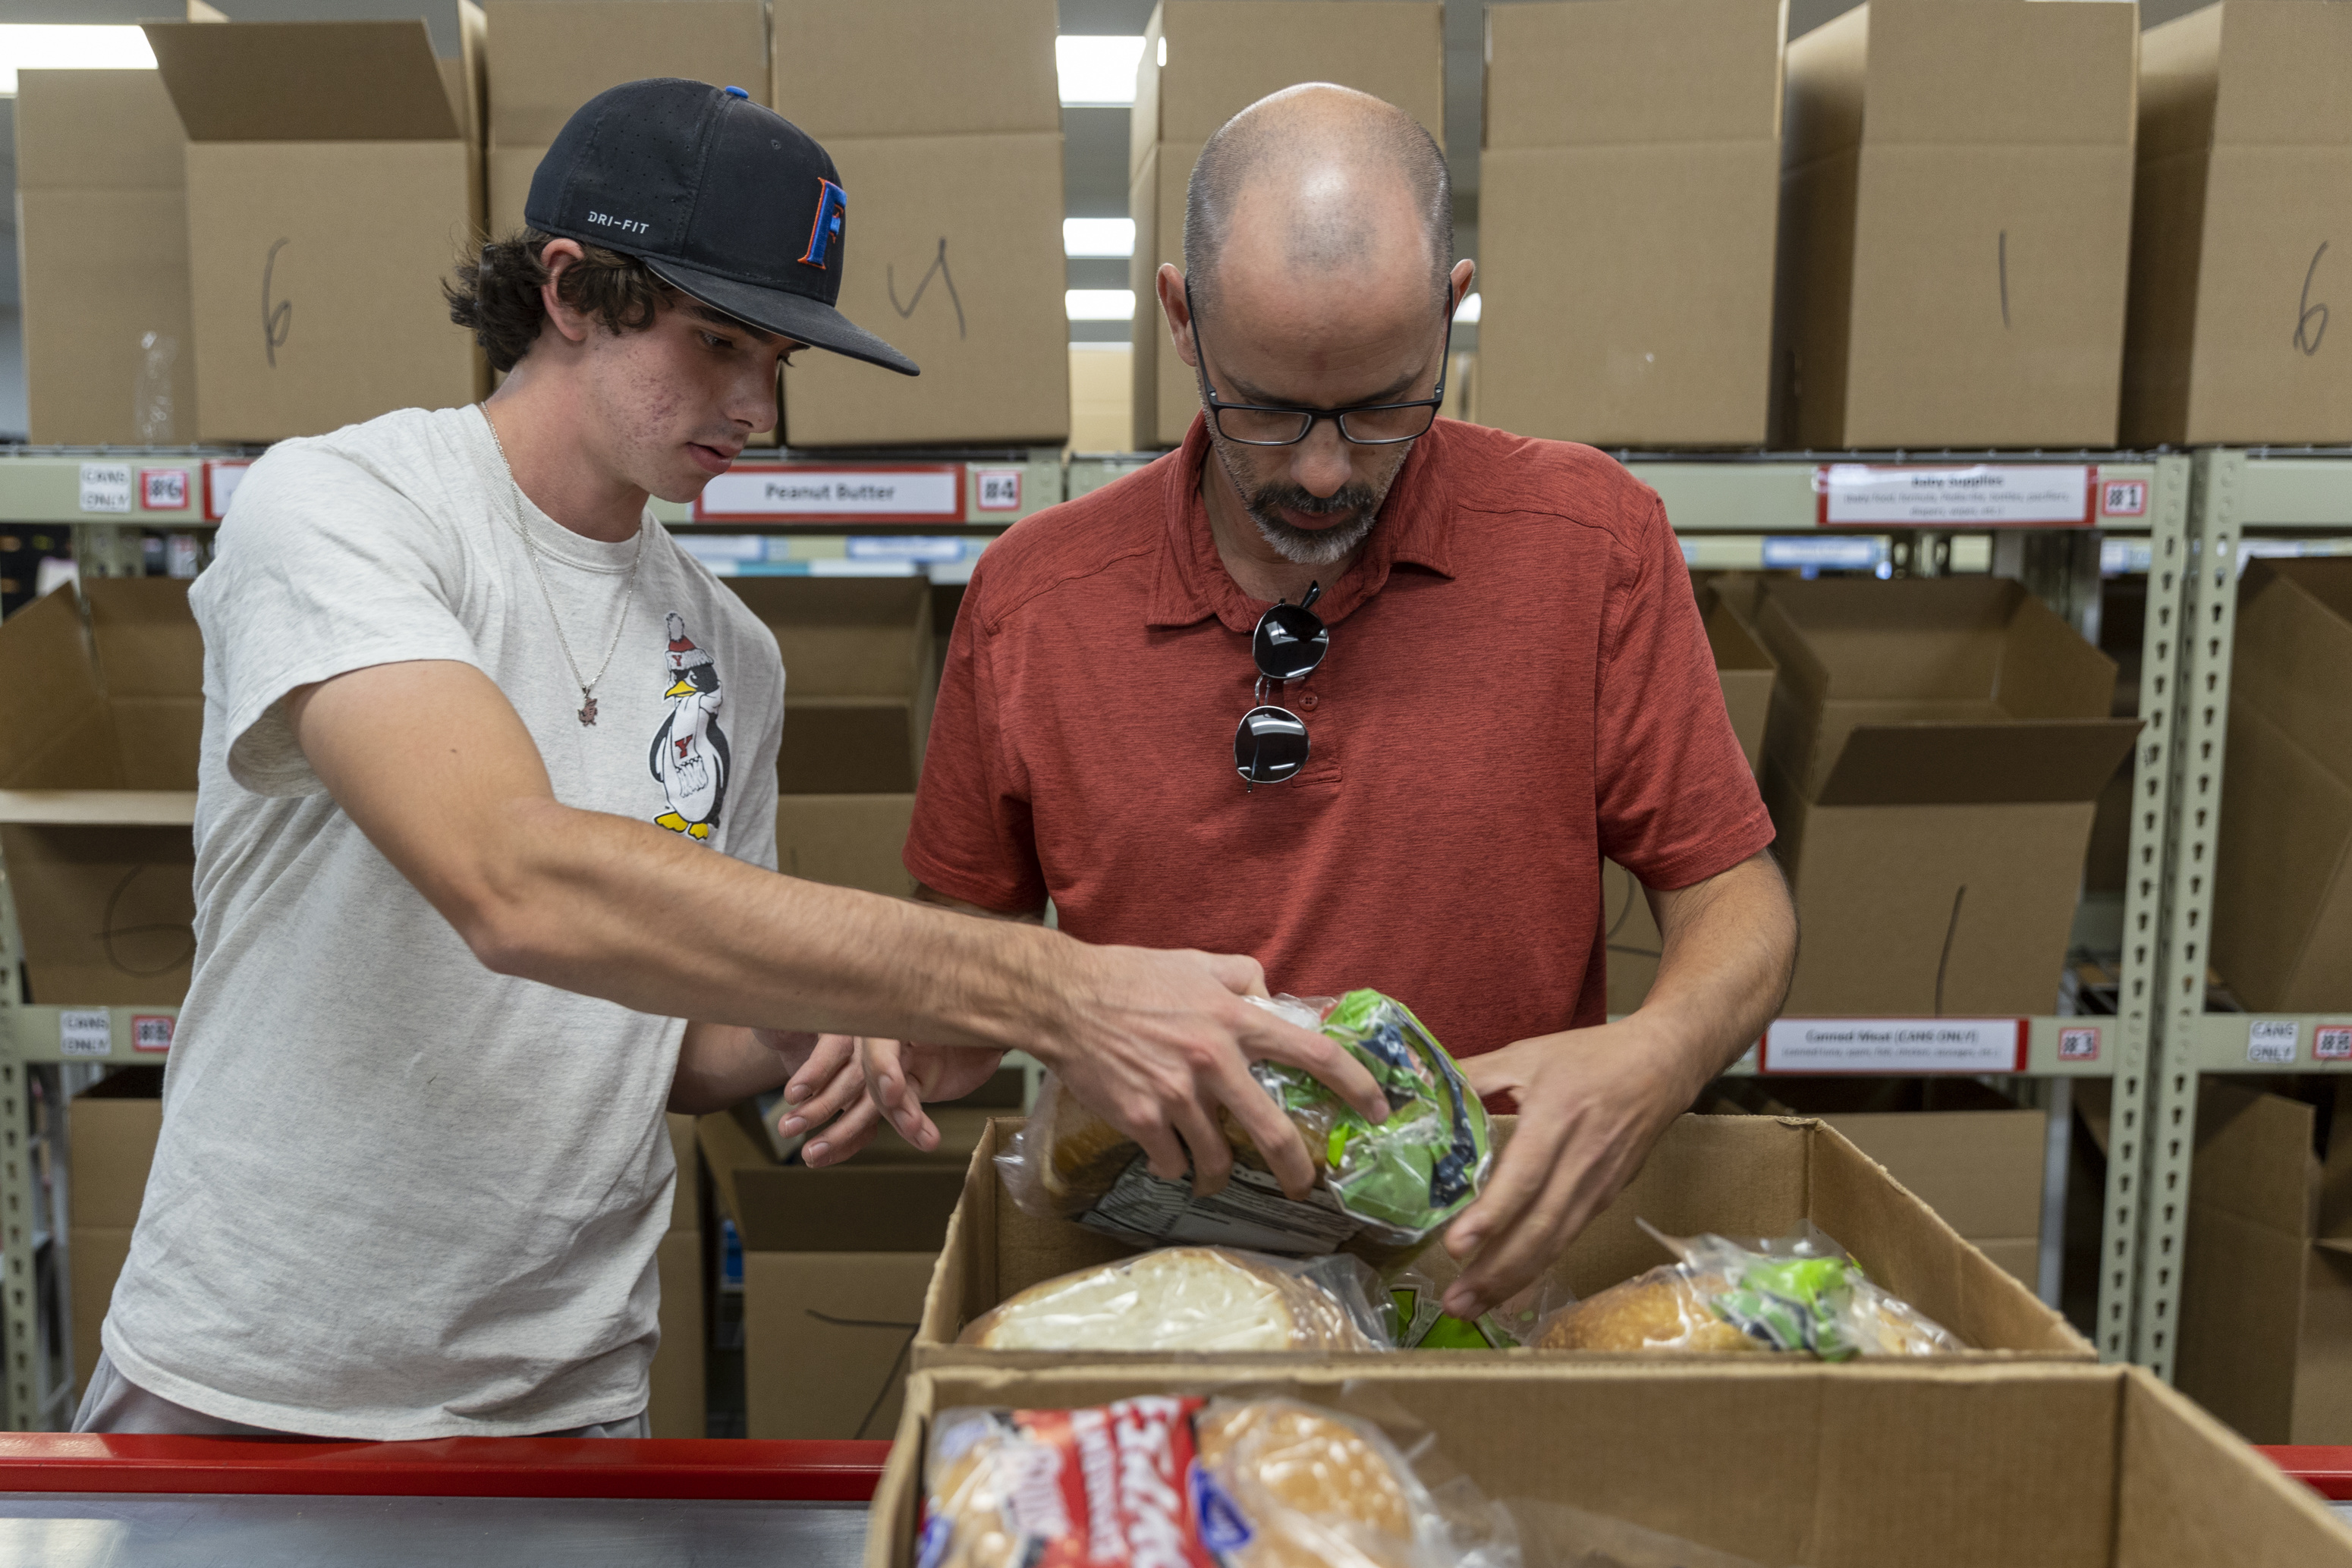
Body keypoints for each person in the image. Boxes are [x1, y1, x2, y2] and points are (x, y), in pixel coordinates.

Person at [77, 79, 1380, 1441]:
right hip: (252, 1381)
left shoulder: (728, 652)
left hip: (563, 1398)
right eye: (718, 345)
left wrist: (808, 1027)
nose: (759, 406)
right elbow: (510, 882)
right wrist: (1051, 985)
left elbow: (669, 1045)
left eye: (781, 363)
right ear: (572, 291)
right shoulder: (351, 509)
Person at [888, 84, 1798, 1323]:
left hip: (1483, 1287)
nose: (1322, 470)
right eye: (1264, 408)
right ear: (1181, 320)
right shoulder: (1033, 602)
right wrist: (884, 1032)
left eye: (1381, 407)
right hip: (1164, 1304)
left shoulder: (1591, 547)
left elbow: (1736, 901)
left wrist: (1657, 1052)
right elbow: (958, 969)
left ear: (1453, 311)